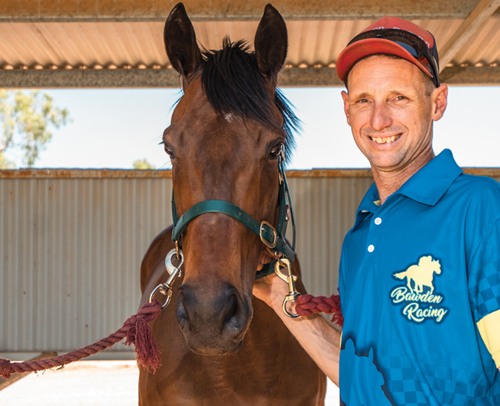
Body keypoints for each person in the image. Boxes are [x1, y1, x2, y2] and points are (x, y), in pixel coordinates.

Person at [254, 16, 500, 405]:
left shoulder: (481, 210)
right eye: (363, 100)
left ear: (438, 103)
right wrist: (279, 296)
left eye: (398, 98)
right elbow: (359, 377)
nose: (378, 120)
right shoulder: (360, 235)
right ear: (346, 108)